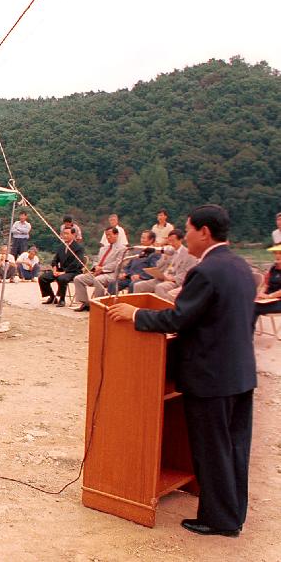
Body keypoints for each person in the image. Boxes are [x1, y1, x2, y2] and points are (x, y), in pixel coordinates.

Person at [107, 204, 256, 538]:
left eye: (188, 229)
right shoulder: (240, 267)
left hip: (210, 377)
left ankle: (219, 520)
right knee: (233, 447)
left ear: (204, 232)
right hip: (239, 373)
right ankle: (232, 513)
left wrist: (134, 316)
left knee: (212, 447)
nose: (185, 235)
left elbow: (178, 319)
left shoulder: (206, 271)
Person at [73, 227, 127, 312]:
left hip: (111, 274)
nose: (108, 237)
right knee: (78, 279)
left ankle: (98, 304)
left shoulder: (122, 249)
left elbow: (118, 263)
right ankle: (85, 303)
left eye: (110, 235)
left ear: (116, 235)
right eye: (106, 235)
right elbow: (97, 261)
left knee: (98, 280)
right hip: (97, 272)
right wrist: (95, 268)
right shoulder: (103, 249)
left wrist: (102, 269)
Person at [133, 229, 197, 300]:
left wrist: (173, 279)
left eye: (173, 241)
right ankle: (138, 308)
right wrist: (164, 258)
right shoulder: (168, 251)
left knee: (160, 287)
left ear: (180, 240)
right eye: (169, 241)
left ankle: (161, 309)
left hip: (175, 280)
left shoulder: (188, 254)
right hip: (162, 278)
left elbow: (188, 273)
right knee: (138, 286)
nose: (171, 243)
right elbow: (158, 267)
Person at [38, 228, 85, 307]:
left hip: (73, 271)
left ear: (73, 235)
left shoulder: (79, 248)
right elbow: (55, 259)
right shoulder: (61, 246)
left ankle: (62, 299)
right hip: (60, 270)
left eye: (67, 234)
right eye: (64, 234)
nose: (65, 236)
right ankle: (52, 297)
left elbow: (76, 263)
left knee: (62, 278)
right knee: (42, 278)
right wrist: (55, 269)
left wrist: (64, 272)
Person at [107, 230, 161, 294]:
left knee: (133, 285)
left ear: (151, 240)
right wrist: (125, 273)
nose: (142, 239)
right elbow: (128, 265)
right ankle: (110, 301)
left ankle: (130, 302)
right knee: (113, 283)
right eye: (141, 237)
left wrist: (140, 276)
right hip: (129, 276)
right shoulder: (137, 250)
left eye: (144, 238)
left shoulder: (155, 253)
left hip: (142, 278)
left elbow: (153, 270)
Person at [255, 246, 281, 319]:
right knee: (247, 303)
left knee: (252, 307)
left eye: (280, 253)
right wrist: (261, 294)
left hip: (278, 301)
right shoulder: (273, 268)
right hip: (269, 299)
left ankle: (247, 329)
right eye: (275, 253)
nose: (277, 255)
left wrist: (269, 296)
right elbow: (266, 285)